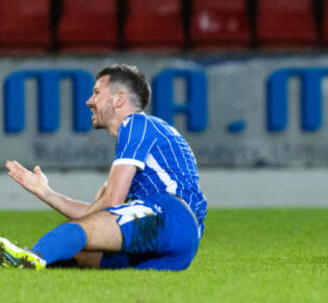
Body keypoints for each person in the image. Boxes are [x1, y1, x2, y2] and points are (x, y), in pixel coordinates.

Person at [1, 64, 206, 271]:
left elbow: (111, 203)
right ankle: (39, 258)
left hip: (170, 215)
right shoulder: (146, 135)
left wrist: (82, 225)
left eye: (97, 92)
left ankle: (30, 257)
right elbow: (99, 214)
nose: (89, 101)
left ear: (119, 99)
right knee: (81, 250)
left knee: (76, 230)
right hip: (182, 241)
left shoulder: (136, 124)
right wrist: (46, 192)